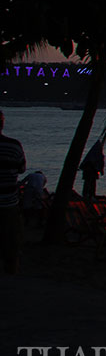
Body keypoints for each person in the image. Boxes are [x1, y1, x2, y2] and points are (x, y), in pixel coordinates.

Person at [0, 111, 27, 275]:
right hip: (9, 203)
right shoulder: (14, 146)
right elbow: (22, 168)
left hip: (9, 203)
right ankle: (12, 272)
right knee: (12, 244)